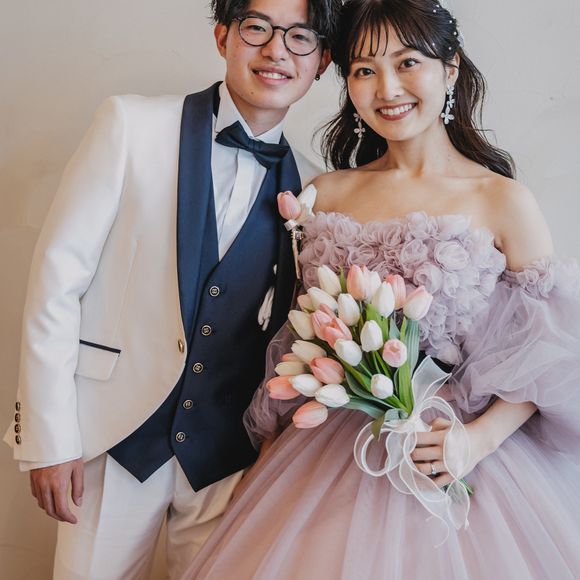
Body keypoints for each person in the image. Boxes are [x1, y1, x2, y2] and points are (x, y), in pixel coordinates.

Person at [182, 0, 580, 578]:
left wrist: (476, 442)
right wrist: (268, 457)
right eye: (365, 70)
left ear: (450, 68)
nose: (387, 88)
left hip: (454, 452)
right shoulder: (326, 194)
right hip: (325, 454)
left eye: (407, 62)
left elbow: (553, 350)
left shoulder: (502, 201)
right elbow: (299, 339)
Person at [3, 1, 341, 578]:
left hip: (228, 464)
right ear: (223, 36)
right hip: (114, 439)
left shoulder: (317, 189)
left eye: (300, 37)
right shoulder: (130, 126)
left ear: (322, 60)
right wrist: (49, 439)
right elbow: (57, 284)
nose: (276, 50)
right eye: (257, 27)